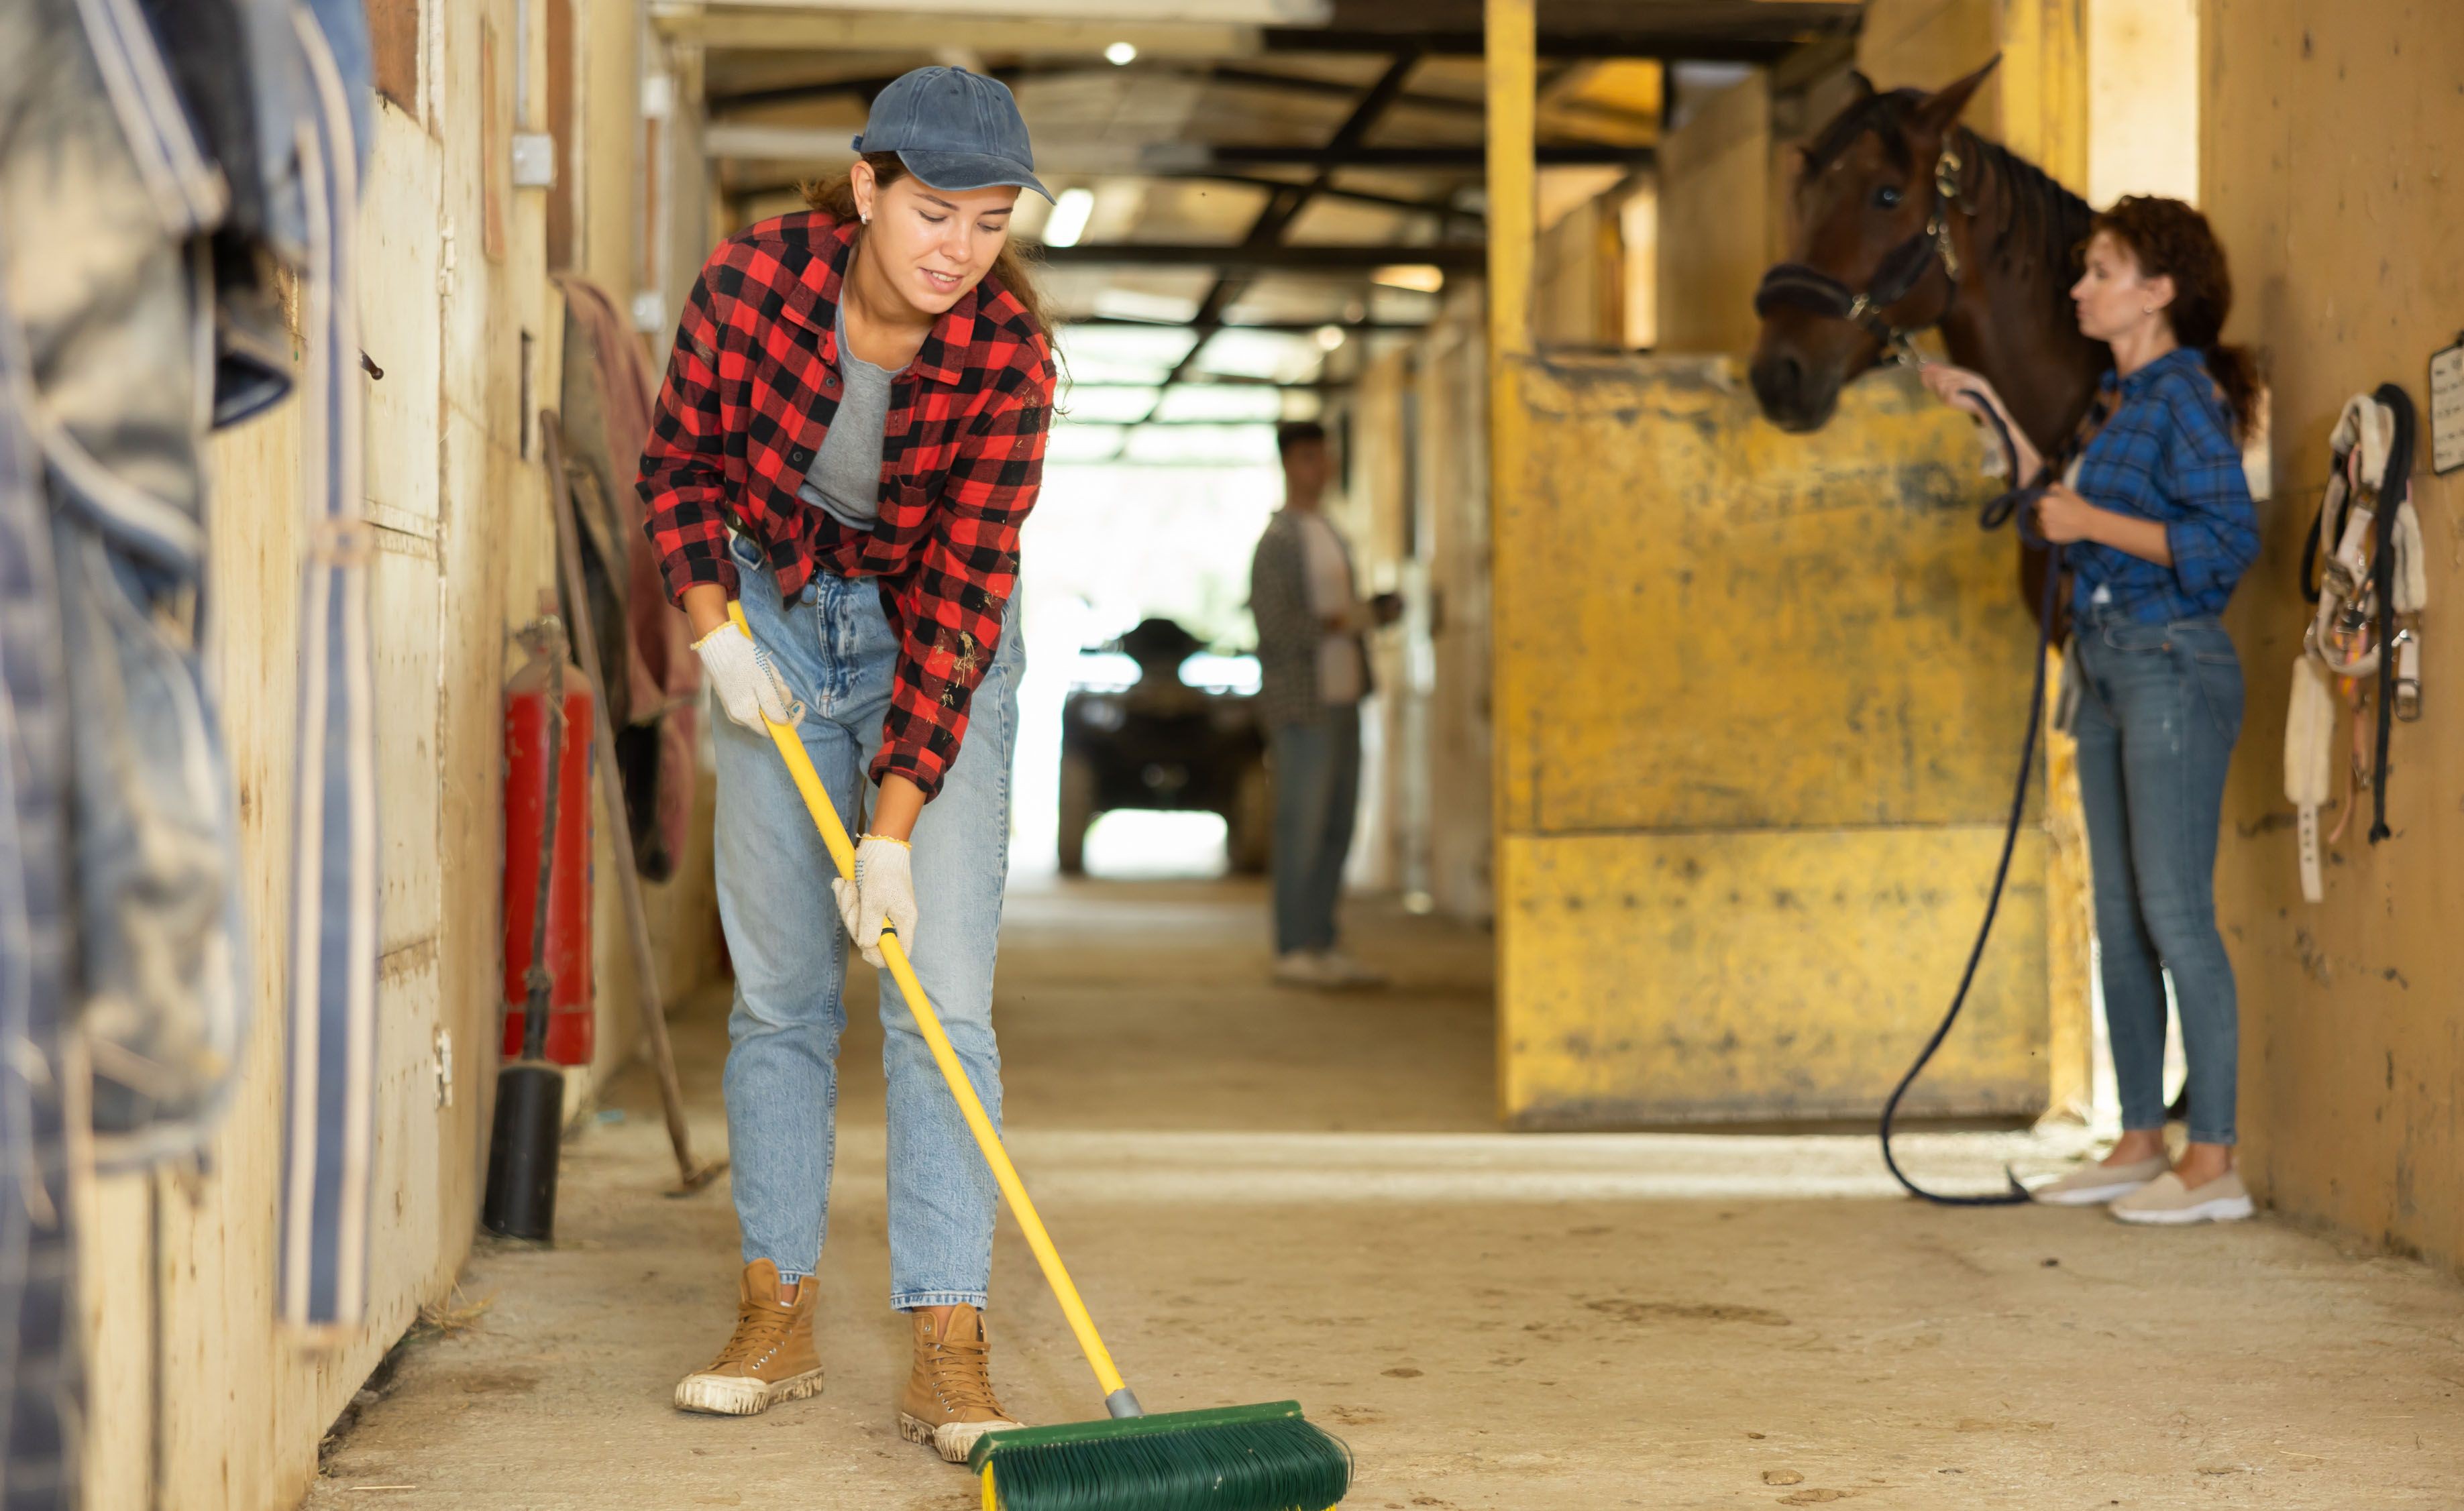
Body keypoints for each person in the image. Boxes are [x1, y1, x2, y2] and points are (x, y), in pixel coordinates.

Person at [636, 66, 1056, 1459]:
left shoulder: (1006, 360)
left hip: (928, 647)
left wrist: (890, 827)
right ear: (867, 186)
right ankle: (778, 1307)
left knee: (939, 993)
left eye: (991, 223)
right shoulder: (753, 282)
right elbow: (679, 465)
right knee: (778, 996)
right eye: (936, 211)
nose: (960, 249)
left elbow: (962, 598)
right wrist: (715, 634)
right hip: (768, 620)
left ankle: (948, 1335)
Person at [1921, 197, 2262, 1225]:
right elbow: (2053, 506)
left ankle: (2215, 1163)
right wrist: (1987, 404)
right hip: (2107, 668)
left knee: (2174, 916)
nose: (2078, 287)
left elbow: (2223, 543)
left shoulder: (2184, 397)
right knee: (2115, 920)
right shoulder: (2117, 401)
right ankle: (2137, 1140)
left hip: (2170, 664)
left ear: (2157, 293)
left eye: (2101, 271)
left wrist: (2090, 517)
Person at [1248, 421, 1402, 989]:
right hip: (1302, 704)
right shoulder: (1279, 541)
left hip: (1343, 696)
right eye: (1312, 457)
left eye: (1326, 457)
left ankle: (1322, 938)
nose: (1323, 468)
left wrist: (1371, 614)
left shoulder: (1332, 532)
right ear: (1290, 463)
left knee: (1337, 823)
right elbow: (1277, 626)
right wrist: (1345, 620)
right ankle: (1292, 944)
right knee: (1301, 825)